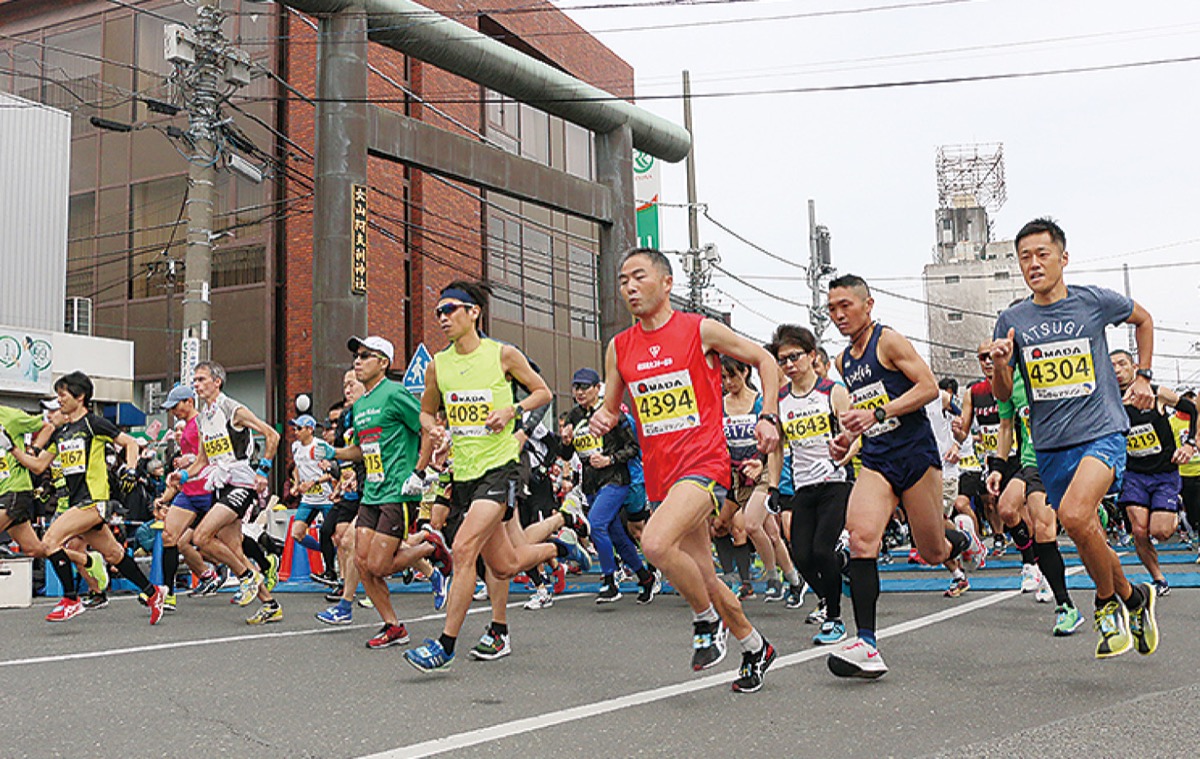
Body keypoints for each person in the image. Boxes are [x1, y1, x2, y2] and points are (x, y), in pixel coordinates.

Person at [590, 248, 780, 693]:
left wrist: (768, 414)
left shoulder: (700, 330)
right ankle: (755, 646)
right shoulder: (619, 348)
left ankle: (705, 622)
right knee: (705, 578)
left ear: (666, 282)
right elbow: (611, 408)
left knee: (655, 542)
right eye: (622, 281)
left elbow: (765, 361)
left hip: (705, 466)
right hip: (661, 474)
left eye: (638, 277)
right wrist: (603, 416)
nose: (629, 287)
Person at [990, 217, 1159, 659]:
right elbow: (1004, 394)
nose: (1033, 264)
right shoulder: (1011, 320)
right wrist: (1001, 363)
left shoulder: (1093, 302)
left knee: (1074, 513)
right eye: (1024, 257)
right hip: (1049, 445)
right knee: (1084, 532)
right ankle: (1134, 597)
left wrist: (1142, 375)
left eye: (1042, 254)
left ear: (1063, 258)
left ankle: (1104, 604)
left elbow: (1144, 320)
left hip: (1102, 431)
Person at [824, 274, 983, 680]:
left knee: (932, 551)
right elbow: (865, 413)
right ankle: (867, 643)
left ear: (868, 304)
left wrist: (878, 413)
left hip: (916, 458)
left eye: (846, 306)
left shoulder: (888, 341)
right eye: (832, 309)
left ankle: (962, 536)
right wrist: (847, 438)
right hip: (877, 460)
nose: (839, 315)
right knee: (861, 540)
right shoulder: (844, 361)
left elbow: (928, 387)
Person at [405, 282, 565, 673]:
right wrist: (434, 430)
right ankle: (558, 551)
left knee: (463, 549)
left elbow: (542, 392)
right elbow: (426, 413)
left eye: (451, 309)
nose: (443, 317)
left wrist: (513, 411)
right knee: (506, 564)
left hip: (503, 467)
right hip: (464, 473)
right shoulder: (437, 366)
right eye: (439, 311)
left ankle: (444, 645)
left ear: (474, 312)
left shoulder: (502, 354)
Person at [14, 371, 167, 624]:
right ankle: (153, 593)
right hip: (79, 504)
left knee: (50, 540)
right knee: (114, 555)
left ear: (80, 396)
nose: (59, 400)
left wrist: (130, 469)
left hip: (94, 501)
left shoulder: (93, 424)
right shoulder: (61, 433)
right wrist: (12, 448)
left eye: (63, 395)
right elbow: (39, 466)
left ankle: (71, 599)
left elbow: (130, 443)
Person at [326, 336, 450, 648]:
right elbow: (363, 449)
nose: (358, 360)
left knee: (380, 565)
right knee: (362, 564)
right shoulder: (361, 404)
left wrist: (419, 472)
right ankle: (393, 626)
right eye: (356, 355)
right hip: (372, 492)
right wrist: (333, 453)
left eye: (366, 355)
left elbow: (427, 428)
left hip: (398, 490)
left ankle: (430, 549)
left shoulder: (395, 394)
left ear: (383, 363)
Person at [770, 325, 853, 644]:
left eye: (795, 357)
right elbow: (777, 447)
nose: (789, 364)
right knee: (801, 556)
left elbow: (854, 435)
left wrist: (843, 453)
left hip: (834, 481)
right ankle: (831, 585)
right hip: (803, 486)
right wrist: (775, 487)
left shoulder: (832, 391)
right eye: (783, 360)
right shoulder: (779, 400)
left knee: (821, 550)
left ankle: (834, 619)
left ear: (812, 356)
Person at [987, 355, 1082, 635]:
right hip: (1032, 461)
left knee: (1058, 529)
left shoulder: (1058, 367)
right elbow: (1006, 427)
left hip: (1067, 459)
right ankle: (1039, 573)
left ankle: (1076, 604)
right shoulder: (1007, 383)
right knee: (1011, 511)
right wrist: (998, 467)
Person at [186, 361, 282, 624]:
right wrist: (181, 477)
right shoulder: (204, 418)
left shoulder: (233, 409)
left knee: (202, 536)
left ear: (217, 382)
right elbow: (202, 461)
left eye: (201, 379)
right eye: (194, 380)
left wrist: (264, 470)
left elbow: (272, 435)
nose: (196, 385)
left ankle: (248, 576)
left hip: (241, 482)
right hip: (221, 482)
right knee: (233, 549)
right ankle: (270, 604)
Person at [562, 366, 653, 603]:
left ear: (597, 388)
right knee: (615, 533)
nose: (579, 392)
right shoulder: (573, 416)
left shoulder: (611, 411)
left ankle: (609, 580)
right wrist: (565, 441)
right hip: (591, 482)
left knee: (596, 524)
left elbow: (634, 447)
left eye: (584, 387)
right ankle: (645, 577)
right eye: (576, 387)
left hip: (615, 478)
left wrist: (609, 459)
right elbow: (565, 454)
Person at [1111, 349, 1197, 596]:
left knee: (1160, 531)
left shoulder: (1158, 394)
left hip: (1164, 473)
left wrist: (1190, 443)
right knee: (1139, 531)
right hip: (1134, 474)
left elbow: (1192, 410)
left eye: (1121, 364)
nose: (1117, 370)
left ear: (1135, 367)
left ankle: (1175, 509)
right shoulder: (1110, 402)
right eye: (1112, 366)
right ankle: (1158, 578)